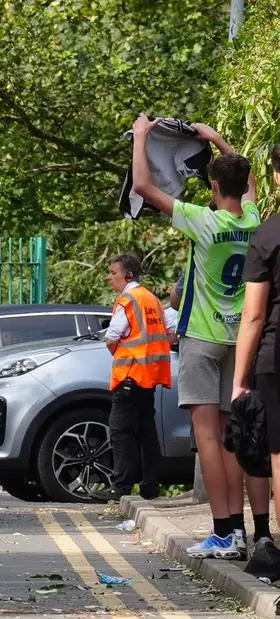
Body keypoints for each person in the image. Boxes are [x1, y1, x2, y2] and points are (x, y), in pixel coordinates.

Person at [130, 113, 269, 559]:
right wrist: (219, 140)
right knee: (236, 437)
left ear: (212, 189)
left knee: (208, 438)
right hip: (238, 339)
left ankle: (223, 530)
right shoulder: (252, 222)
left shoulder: (200, 220)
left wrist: (141, 136)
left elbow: (143, 188)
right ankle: (243, 532)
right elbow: (247, 185)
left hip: (202, 337)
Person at [231, 143, 280, 546]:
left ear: (277, 176)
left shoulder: (268, 234)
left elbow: (253, 315)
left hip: (275, 358)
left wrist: (239, 379)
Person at [103, 254, 172, 501]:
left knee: (121, 432)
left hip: (130, 374)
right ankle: (150, 486)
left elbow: (112, 336)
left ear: (128, 275)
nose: (109, 277)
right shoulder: (151, 299)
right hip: (150, 376)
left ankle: (120, 487)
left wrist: (122, 352)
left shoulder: (128, 299)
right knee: (146, 432)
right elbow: (168, 332)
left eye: (113, 272)